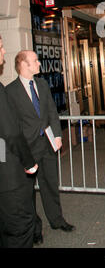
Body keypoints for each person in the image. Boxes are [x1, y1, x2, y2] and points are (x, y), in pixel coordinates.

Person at [6, 50, 75, 245]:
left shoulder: (43, 84)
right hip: (26, 149)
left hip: (47, 144)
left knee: (51, 184)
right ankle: (34, 228)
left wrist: (58, 135)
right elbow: (12, 124)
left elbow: (52, 111)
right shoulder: (10, 91)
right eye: (35, 60)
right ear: (24, 64)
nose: (39, 63)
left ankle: (57, 220)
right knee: (27, 191)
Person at [0, 36, 37, 248]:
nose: (4, 52)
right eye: (1, 47)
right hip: (8, 179)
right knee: (19, 229)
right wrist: (29, 162)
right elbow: (11, 132)